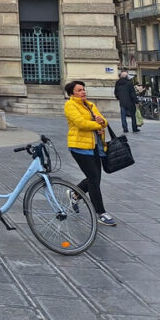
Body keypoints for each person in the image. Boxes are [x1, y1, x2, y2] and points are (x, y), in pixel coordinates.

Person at [63, 80, 116, 227]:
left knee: (95, 178)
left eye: (83, 89)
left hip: (96, 146)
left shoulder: (90, 105)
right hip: (79, 147)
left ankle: (75, 194)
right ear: (72, 93)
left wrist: (101, 123)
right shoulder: (70, 105)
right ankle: (101, 213)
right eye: (79, 90)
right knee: (93, 178)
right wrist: (97, 124)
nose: (83, 92)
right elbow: (81, 123)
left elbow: (104, 120)